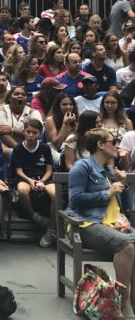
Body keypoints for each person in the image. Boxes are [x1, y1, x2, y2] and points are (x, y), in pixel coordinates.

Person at [67, 128, 135, 315]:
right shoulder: (82, 167)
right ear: (101, 145)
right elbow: (75, 199)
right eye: (113, 141)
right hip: (84, 224)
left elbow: (122, 205)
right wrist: (107, 193)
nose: (117, 145)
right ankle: (121, 302)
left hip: (109, 223)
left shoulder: (108, 170)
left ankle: (132, 302)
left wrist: (123, 183)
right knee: (128, 245)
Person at [11, 118, 57, 248]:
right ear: (24, 132)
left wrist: (42, 180)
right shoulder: (18, 148)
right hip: (26, 178)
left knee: (56, 194)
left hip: (44, 178)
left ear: (40, 134)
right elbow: (18, 171)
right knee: (22, 190)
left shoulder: (45, 148)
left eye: (34, 132)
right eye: (28, 132)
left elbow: (49, 169)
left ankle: (50, 230)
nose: (31, 135)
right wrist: (30, 180)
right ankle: (34, 215)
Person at [0, 85, 43, 155]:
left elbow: (35, 133)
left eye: (23, 95)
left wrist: (12, 130)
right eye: (16, 94)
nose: (20, 96)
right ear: (10, 98)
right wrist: (19, 149)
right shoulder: (1, 110)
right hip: (4, 146)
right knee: (6, 152)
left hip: (29, 145)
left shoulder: (33, 112)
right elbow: (0, 132)